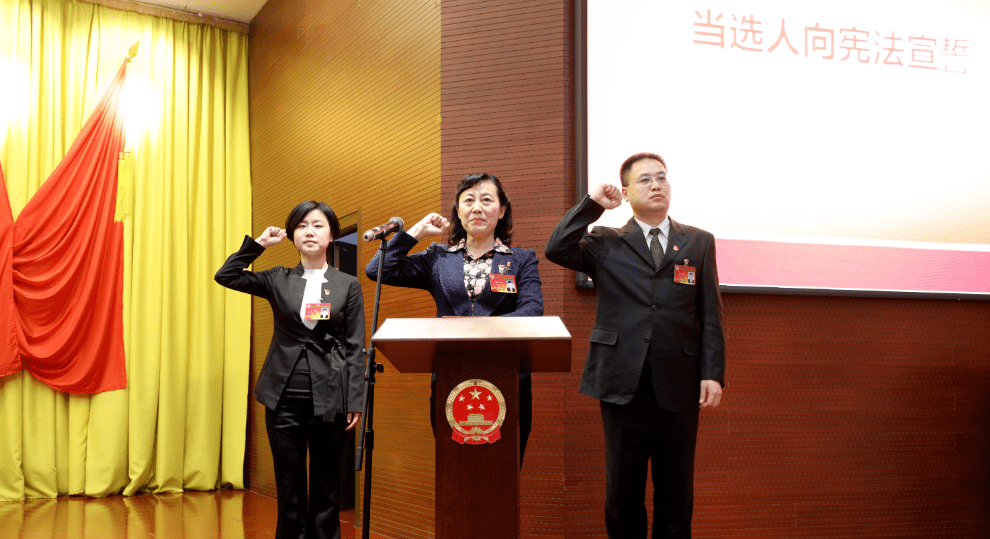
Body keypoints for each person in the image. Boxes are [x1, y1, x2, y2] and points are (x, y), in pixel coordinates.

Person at [545, 153, 726, 538]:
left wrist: (713, 373)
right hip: (622, 380)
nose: (657, 184)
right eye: (645, 180)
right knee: (623, 490)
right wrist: (593, 204)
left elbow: (710, 314)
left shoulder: (698, 241)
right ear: (626, 192)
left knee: (676, 491)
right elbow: (557, 248)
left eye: (662, 177)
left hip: (679, 379)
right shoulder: (606, 241)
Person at [365, 172, 543, 461]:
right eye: (468, 201)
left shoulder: (521, 259)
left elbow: (533, 309)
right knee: (454, 469)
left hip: (508, 375)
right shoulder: (438, 258)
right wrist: (415, 233)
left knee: (504, 470)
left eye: (487, 200)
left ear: (501, 210)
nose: (477, 207)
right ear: (458, 211)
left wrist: (477, 329)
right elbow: (377, 270)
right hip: (451, 377)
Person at [215, 201, 365, 539]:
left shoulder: (347, 285)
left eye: (318, 225)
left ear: (331, 236)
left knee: (326, 490)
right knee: (289, 490)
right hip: (282, 400)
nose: (309, 231)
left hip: (331, 400)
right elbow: (225, 276)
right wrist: (257, 245)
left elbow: (356, 344)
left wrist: (356, 398)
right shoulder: (277, 279)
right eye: (301, 226)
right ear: (293, 235)